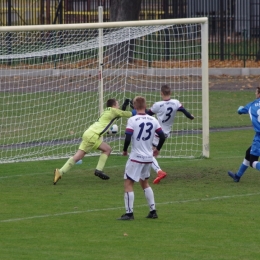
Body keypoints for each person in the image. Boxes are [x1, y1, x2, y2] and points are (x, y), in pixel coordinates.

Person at [53, 98, 132, 184]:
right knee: (105, 150)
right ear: (113, 106)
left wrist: (125, 105)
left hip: (89, 133)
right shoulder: (113, 111)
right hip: (93, 136)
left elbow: (120, 113)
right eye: (118, 104)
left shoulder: (107, 111)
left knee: (82, 155)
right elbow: (129, 114)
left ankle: (60, 172)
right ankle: (98, 170)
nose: (119, 106)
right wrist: (137, 108)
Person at [117, 96, 166, 220]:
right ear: (145, 105)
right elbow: (162, 136)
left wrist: (124, 150)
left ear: (134, 105)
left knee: (128, 183)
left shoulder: (132, 120)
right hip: (148, 158)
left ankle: (129, 213)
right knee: (144, 183)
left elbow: (128, 136)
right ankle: (153, 211)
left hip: (136, 158)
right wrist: (157, 149)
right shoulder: (153, 120)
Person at [138, 84, 195, 184]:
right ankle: (146, 173)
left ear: (161, 93)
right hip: (166, 133)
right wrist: (191, 117)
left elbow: (147, 114)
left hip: (157, 132)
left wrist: (137, 109)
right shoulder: (176, 103)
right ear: (170, 93)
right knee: (150, 153)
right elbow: (185, 112)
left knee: (147, 152)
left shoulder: (158, 105)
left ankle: (158, 171)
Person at [228, 86, 260, 182]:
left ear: (259, 94)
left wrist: (240, 108)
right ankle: (237, 176)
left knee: (252, 161)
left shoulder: (251, 105)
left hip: (259, 137)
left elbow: (240, 111)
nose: (255, 94)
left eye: (256, 92)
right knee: (248, 153)